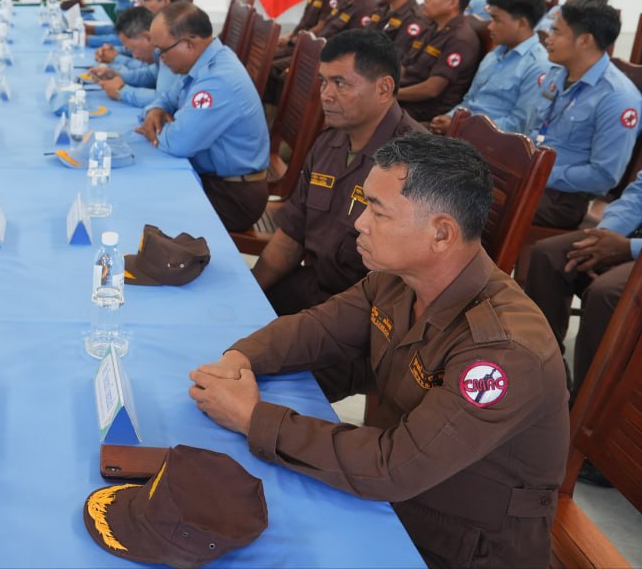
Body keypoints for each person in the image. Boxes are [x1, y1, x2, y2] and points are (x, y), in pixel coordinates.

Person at [189, 134, 568, 569]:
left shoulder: (502, 353)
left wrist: (253, 418)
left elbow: (394, 467)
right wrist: (240, 359)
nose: (359, 222)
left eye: (378, 211)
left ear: (441, 233)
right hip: (398, 502)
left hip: (461, 547)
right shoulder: (401, 277)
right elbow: (319, 329)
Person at [252, 29, 422, 318]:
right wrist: (252, 291)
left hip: (364, 315)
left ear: (383, 89)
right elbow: (291, 236)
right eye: (323, 82)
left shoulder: (413, 161)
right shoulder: (328, 142)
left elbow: (403, 285)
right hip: (313, 289)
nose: (326, 96)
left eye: (340, 83)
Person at [136, 2, 270, 232]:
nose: (160, 59)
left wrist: (155, 130)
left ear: (189, 43)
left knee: (145, 212)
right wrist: (154, 112)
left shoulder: (218, 80)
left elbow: (178, 143)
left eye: (162, 50)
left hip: (234, 196)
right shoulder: (202, 62)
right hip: (216, 180)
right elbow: (167, 98)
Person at [521, 169, 642, 407]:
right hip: (630, 239)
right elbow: (637, 197)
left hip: (636, 247)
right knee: (549, 255)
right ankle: (546, 372)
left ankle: (585, 405)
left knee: (607, 293)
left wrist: (629, 248)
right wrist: (604, 237)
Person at [529, 0, 641, 228]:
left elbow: (603, 177)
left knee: (469, 207)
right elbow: (534, 128)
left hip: (561, 198)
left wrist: (540, 173)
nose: (547, 39)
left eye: (557, 32)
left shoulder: (617, 97)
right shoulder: (555, 74)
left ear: (585, 40)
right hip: (529, 176)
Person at [428, 0, 550, 135]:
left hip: (493, 147)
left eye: (496, 20)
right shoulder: (494, 54)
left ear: (521, 23)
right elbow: (470, 101)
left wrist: (461, 126)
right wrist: (449, 117)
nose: (490, 27)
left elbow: (518, 125)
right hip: (461, 135)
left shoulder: (538, 65)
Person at [395, 0, 481, 122]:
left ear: (452, 3)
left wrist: (390, 94)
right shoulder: (431, 27)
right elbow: (405, 66)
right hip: (403, 99)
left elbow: (431, 89)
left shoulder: (460, 39)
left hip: (424, 112)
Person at [91, 7, 179, 110]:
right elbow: (150, 75)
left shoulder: (170, 50)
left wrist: (121, 91)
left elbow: (164, 99)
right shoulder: (158, 50)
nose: (134, 56)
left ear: (148, 37)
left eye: (133, 49)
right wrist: (117, 74)